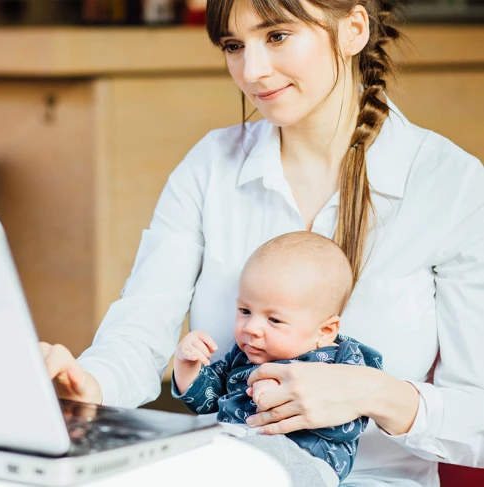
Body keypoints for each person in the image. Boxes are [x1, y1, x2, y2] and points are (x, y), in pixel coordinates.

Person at [40, 0, 484, 484]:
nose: (251, 71)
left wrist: (372, 393)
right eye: (234, 45)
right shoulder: (210, 165)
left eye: (276, 36)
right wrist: (90, 383)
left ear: (354, 29)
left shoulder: (451, 184)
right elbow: (139, 334)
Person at [172, 231, 382, 486]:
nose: (251, 328)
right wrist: (188, 366)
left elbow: (353, 419)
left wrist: (284, 396)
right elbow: (208, 402)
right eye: (245, 311)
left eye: (274, 320)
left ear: (324, 331)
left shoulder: (342, 359)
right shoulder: (243, 354)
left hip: (304, 459)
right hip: (236, 449)